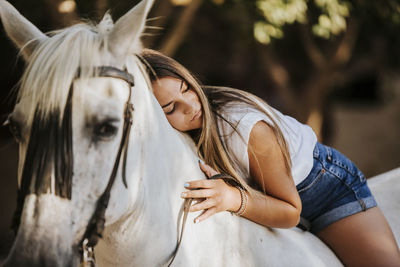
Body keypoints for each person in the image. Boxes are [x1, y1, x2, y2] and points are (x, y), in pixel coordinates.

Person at [139, 49, 400, 266]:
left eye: (186, 89)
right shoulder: (180, 136)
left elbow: (290, 212)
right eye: (171, 108)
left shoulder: (244, 128)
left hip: (325, 190)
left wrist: (232, 198)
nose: (191, 106)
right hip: (266, 198)